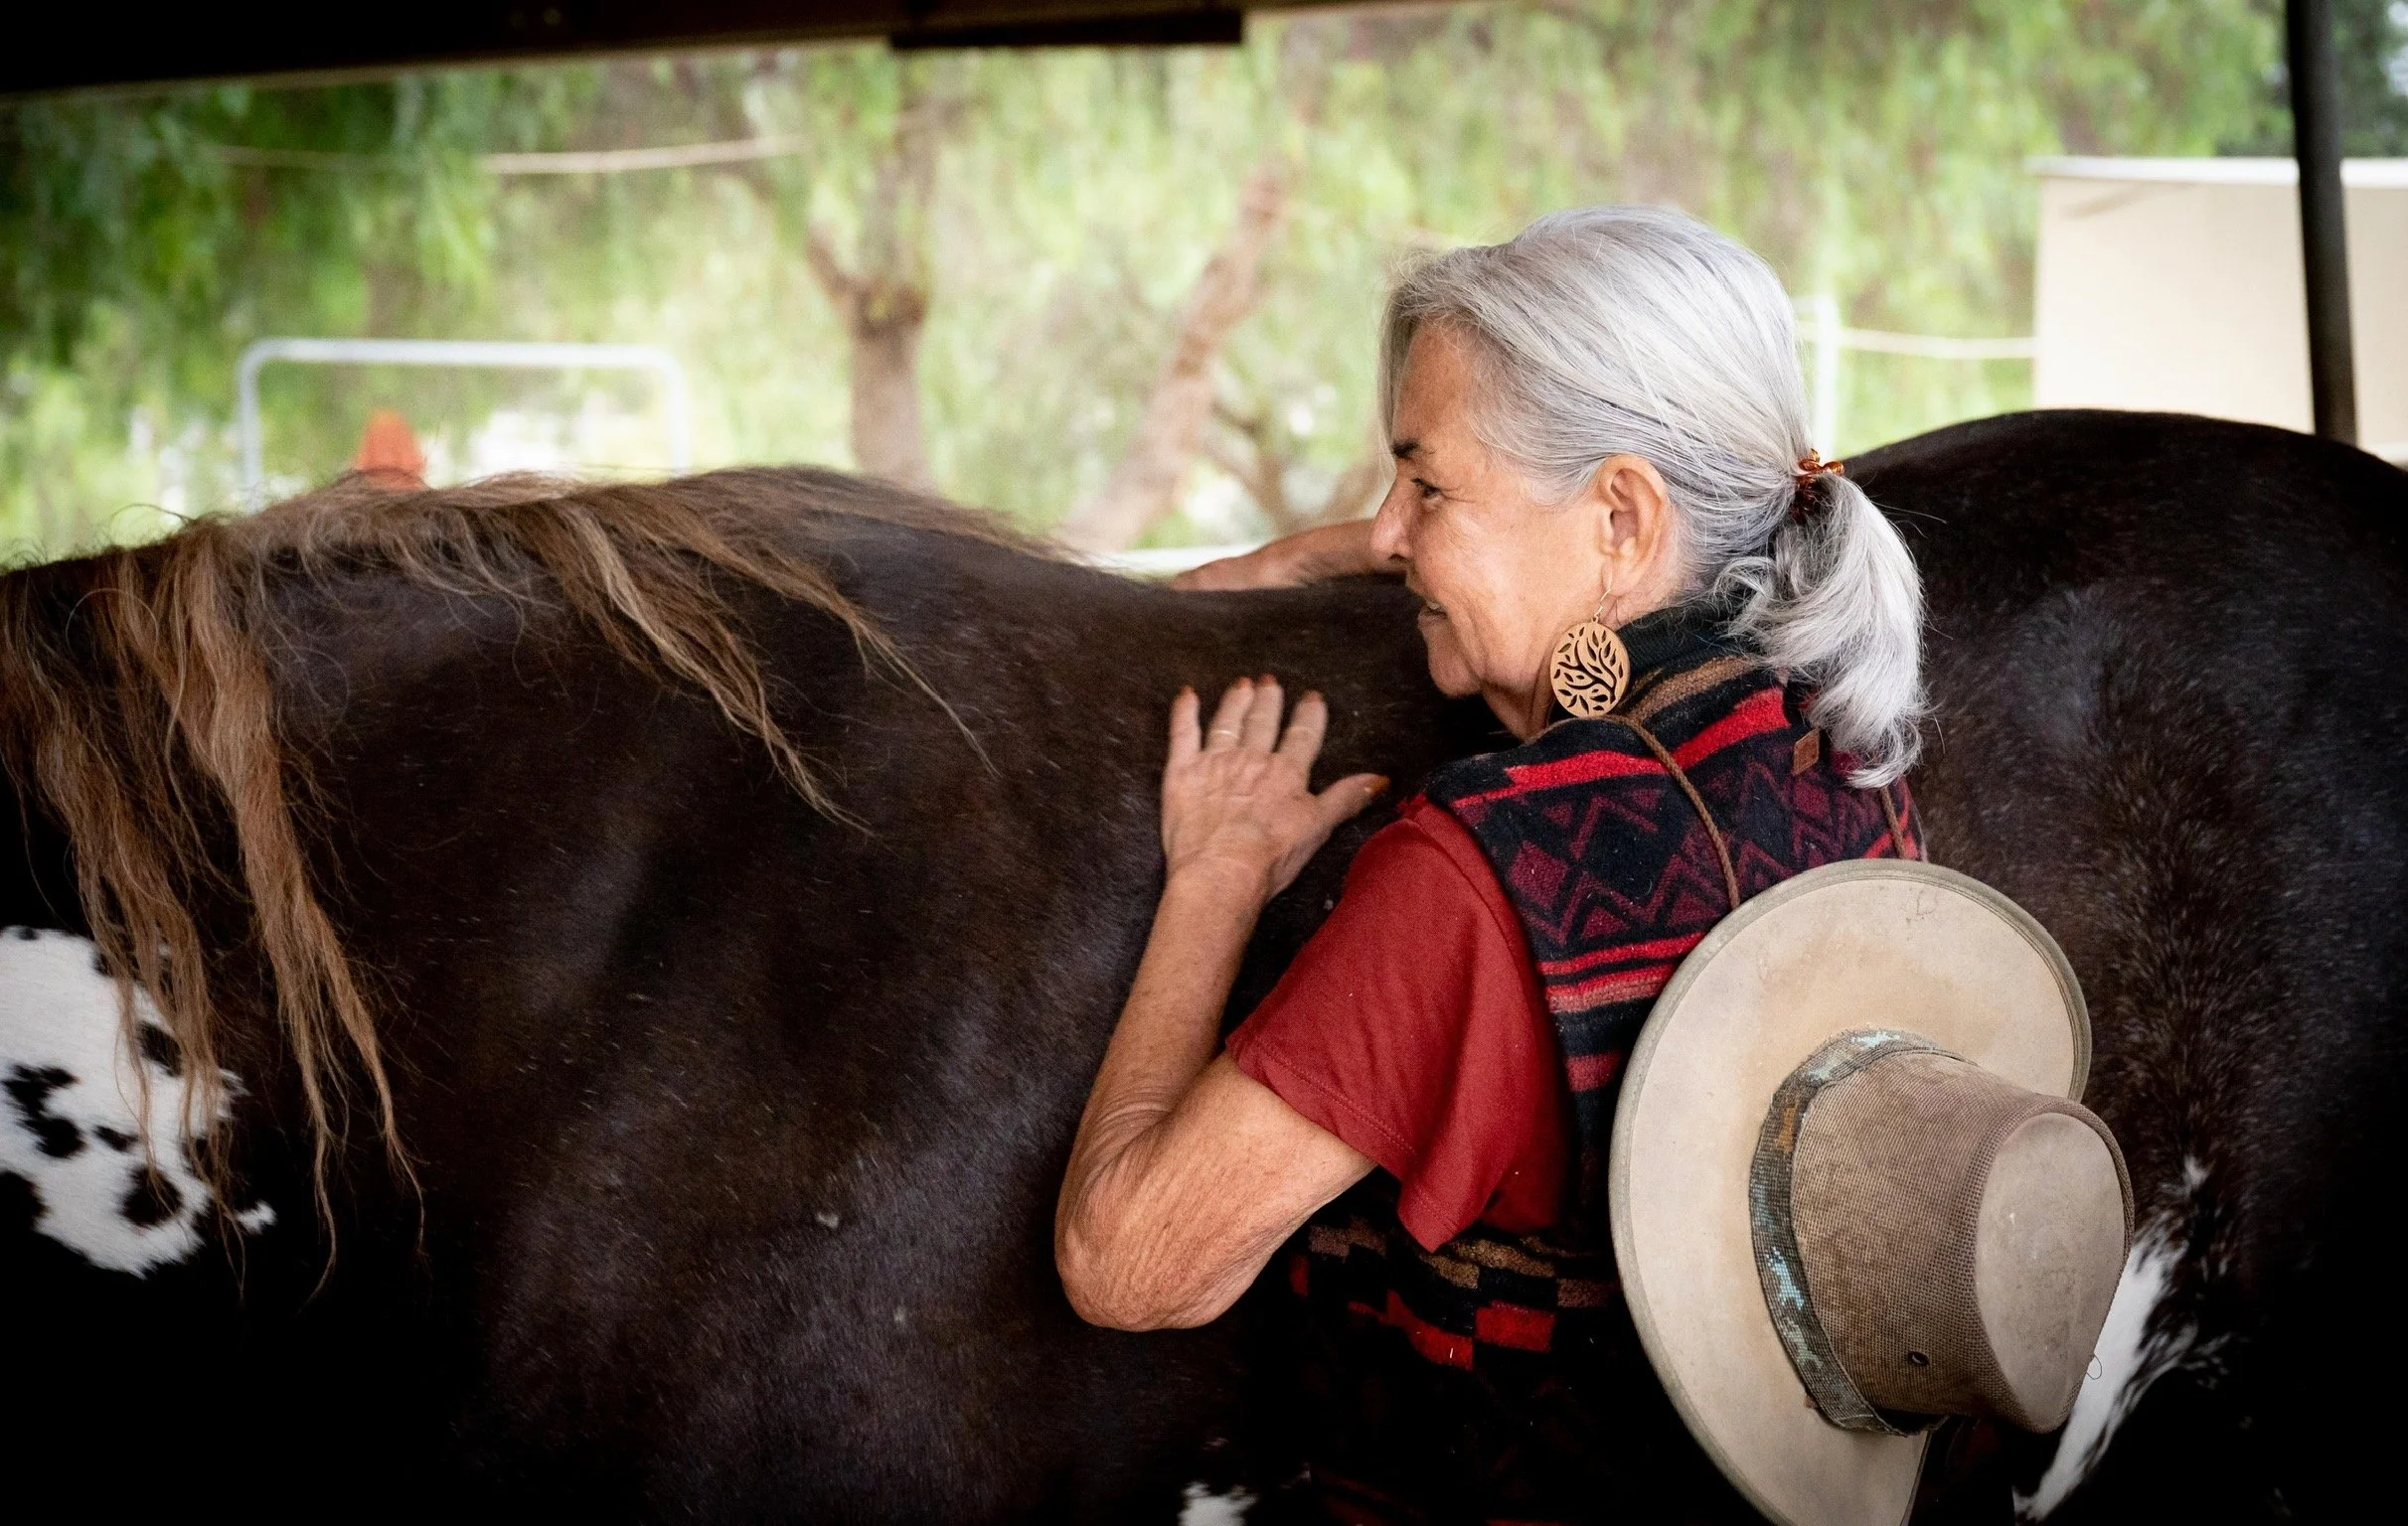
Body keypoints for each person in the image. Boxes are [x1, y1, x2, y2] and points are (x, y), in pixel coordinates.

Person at [1053, 205, 1927, 1523]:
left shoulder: (1475, 876)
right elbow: (1583, 650)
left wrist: (1217, 878)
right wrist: (1316, 562)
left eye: (1426, 484)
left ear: (1621, 518)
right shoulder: (1835, 747)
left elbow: (1128, 1266)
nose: (1390, 532)